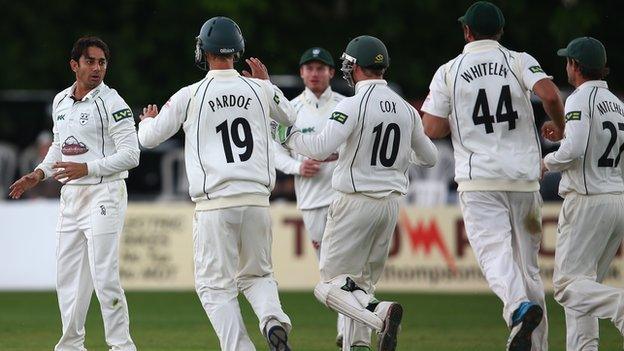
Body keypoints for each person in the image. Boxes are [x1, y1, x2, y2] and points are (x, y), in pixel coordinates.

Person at [137, 17, 295, 351]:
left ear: (203, 50)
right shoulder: (260, 89)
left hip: (214, 205)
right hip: (256, 200)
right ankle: (273, 320)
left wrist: (147, 121)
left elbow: (150, 139)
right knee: (259, 275)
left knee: (214, 287)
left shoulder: (190, 94)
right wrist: (268, 85)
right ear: (238, 50)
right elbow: (291, 118)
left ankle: (241, 347)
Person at [275, 35, 438, 351]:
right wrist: (403, 156)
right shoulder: (405, 110)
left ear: (356, 67)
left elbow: (320, 148)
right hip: (390, 206)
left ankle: (380, 314)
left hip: (354, 202)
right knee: (359, 284)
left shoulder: (351, 104)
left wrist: (285, 135)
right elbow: (429, 157)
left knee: (329, 287)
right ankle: (358, 344)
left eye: (349, 64)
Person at [419, 2, 566, 350]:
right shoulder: (518, 60)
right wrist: (562, 130)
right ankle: (537, 343)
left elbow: (432, 127)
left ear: (467, 32)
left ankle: (517, 309)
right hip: (524, 178)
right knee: (529, 270)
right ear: (500, 31)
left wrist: (459, 118)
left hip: (480, 178)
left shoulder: (449, 71)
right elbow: (549, 94)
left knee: (494, 254)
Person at [9, 36, 139, 351]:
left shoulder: (113, 103)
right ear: (75, 65)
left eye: (102, 62)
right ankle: (70, 345)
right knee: (67, 278)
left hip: (104, 193)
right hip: (72, 198)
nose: (97, 68)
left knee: (104, 276)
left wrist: (89, 168)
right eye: (90, 61)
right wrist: (38, 173)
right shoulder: (61, 101)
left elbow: (132, 155)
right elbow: (59, 145)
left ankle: (121, 346)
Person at [543, 37, 624, 351]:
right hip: (616, 197)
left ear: (575, 66)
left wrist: (544, 162)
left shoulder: (578, 98)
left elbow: (574, 151)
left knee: (567, 287)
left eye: (567, 61)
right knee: (585, 290)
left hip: (588, 201)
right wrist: (563, 134)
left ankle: (620, 305)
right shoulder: (617, 104)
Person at [273, 46, 349, 348]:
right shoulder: (290, 110)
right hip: (312, 200)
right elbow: (274, 149)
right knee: (329, 269)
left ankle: (348, 330)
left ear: (331, 72)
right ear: (302, 73)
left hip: (345, 195)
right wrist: (296, 166)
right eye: (309, 68)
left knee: (347, 265)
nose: (315, 73)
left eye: (321, 68)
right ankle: (354, 320)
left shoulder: (347, 105)